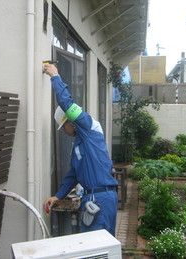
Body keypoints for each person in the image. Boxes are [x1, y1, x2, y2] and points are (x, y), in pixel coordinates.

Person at [43, 64, 119, 236]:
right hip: (97, 198)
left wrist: (55, 76)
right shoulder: (80, 142)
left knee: (96, 248)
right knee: (100, 247)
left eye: (64, 127)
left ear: (71, 121)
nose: (64, 131)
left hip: (99, 199)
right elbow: (74, 174)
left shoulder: (88, 126)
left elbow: (66, 102)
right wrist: (58, 195)